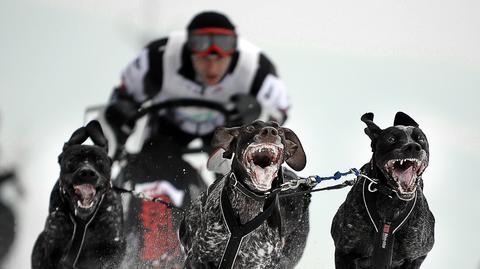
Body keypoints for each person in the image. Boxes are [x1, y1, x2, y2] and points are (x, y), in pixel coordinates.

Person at [103, 11, 290, 267]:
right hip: (166, 131)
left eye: (221, 50)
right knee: (155, 165)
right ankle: (145, 241)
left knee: (240, 184)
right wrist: (121, 109)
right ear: (188, 48)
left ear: (234, 51)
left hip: (227, 134)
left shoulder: (255, 69)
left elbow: (279, 113)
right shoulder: (159, 59)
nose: (212, 63)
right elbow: (122, 97)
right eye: (202, 50)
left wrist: (258, 111)